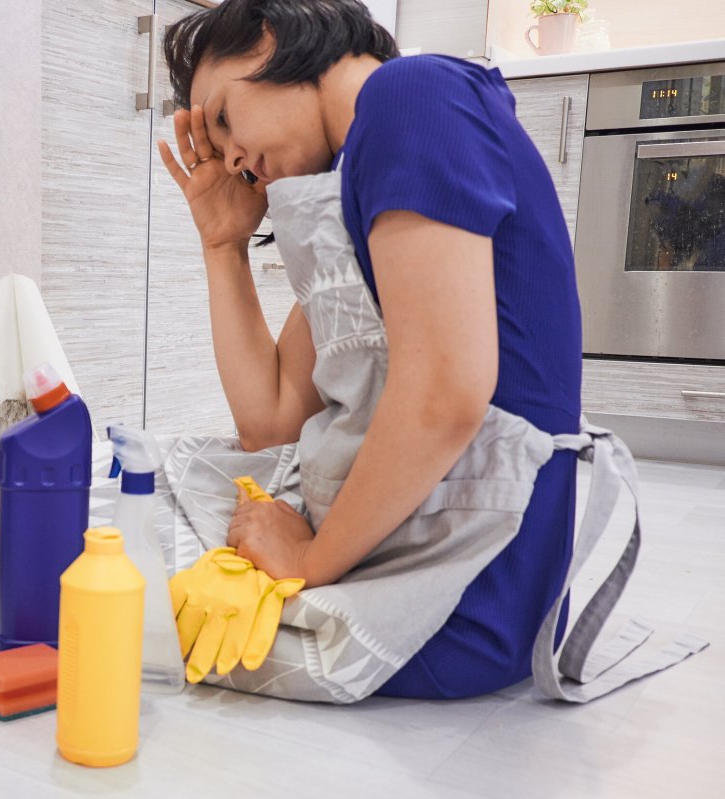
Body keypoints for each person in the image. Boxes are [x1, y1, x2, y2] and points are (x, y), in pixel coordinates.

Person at [157, 0, 583, 699]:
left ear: (273, 32)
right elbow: (270, 423)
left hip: (469, 590)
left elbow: (447, 392)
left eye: (226, 117)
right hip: (451, 559)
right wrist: (223, 247)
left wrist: (310, 557)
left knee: (135, 576)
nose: (230, 156)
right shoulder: (360, 174)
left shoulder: (409, 97)